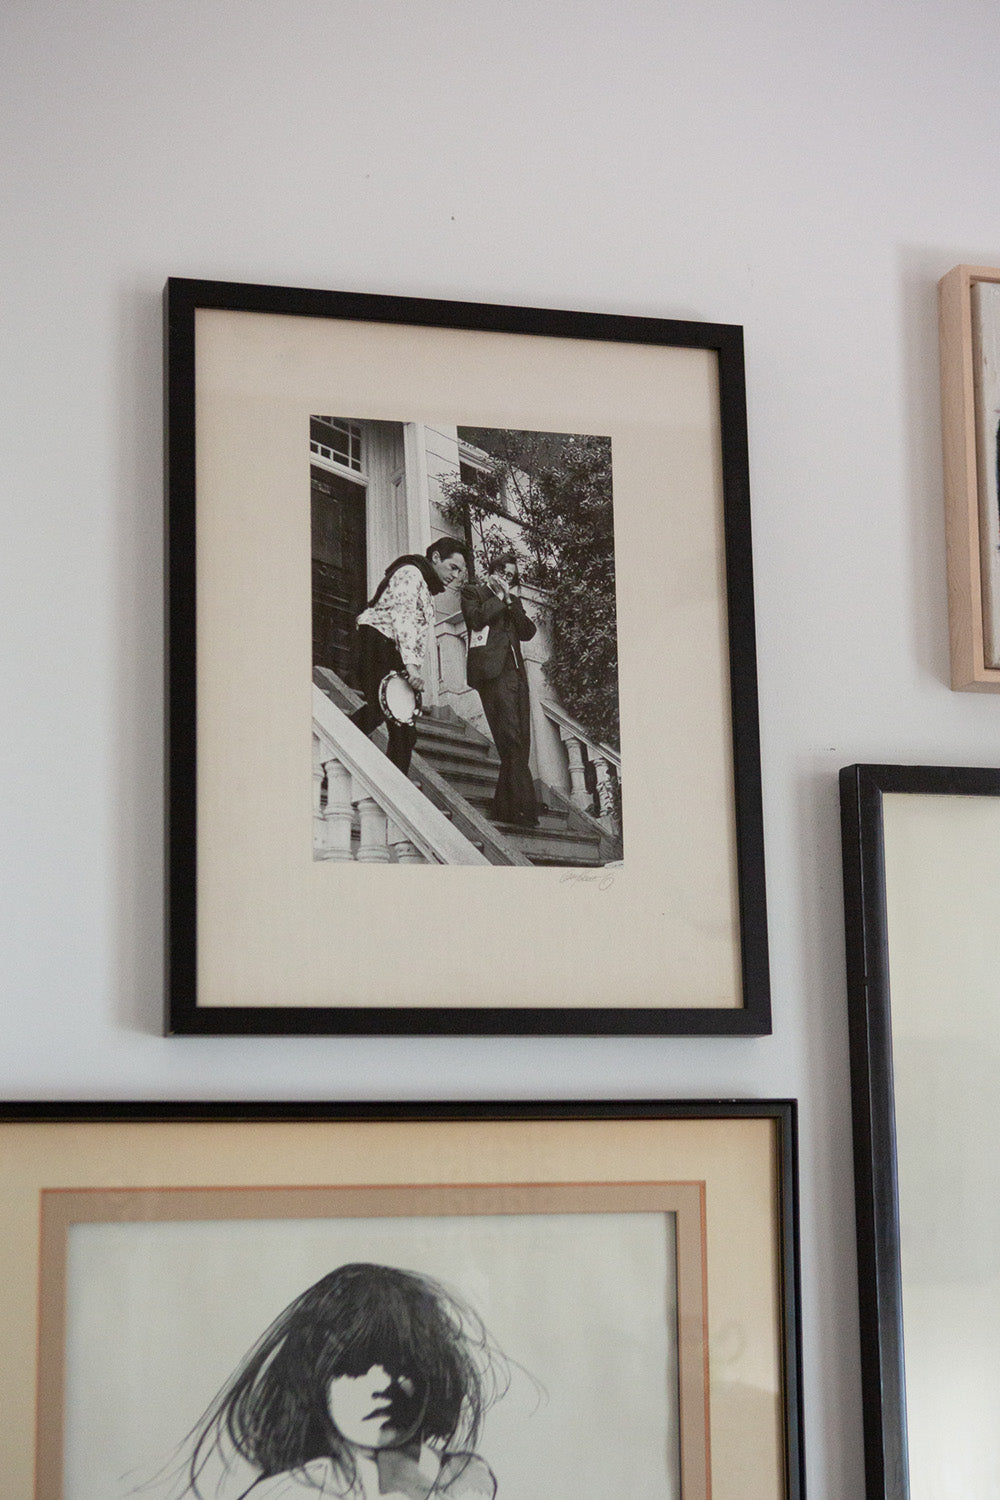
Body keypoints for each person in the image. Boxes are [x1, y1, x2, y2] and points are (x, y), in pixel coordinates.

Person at [173, 1263, 504, 1500]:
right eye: (355, 1365)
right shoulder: (289, 1493)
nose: (383, 1384)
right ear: (315, 1379)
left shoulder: (466, 1482)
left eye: (403, 1364)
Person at [350, 540, 470, 776]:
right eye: (453, 567)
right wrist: (412, 669)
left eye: (459, 571)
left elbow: (415, 634)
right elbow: (403, 619)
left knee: (398, 725)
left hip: (390, 650)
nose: (455, 575)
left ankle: (392, 788)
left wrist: (410, 666)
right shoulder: (411, 573)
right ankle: (391, 790)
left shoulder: (424, 584)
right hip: (377, 643)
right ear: (436, 557)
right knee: (397, 723)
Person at [460, 552, 538, 827]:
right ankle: (526, 807)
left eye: (512, 577)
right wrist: (499, 598)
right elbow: (476, 619)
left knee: (521, 739)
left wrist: (510, 602)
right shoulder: (474, 592)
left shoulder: (512, 601)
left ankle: (503, 806)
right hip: (492, 674)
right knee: (511, 737)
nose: (508, 580)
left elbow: (528, 631)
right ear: (493, 571)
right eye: (504, 574)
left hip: (516, 673)